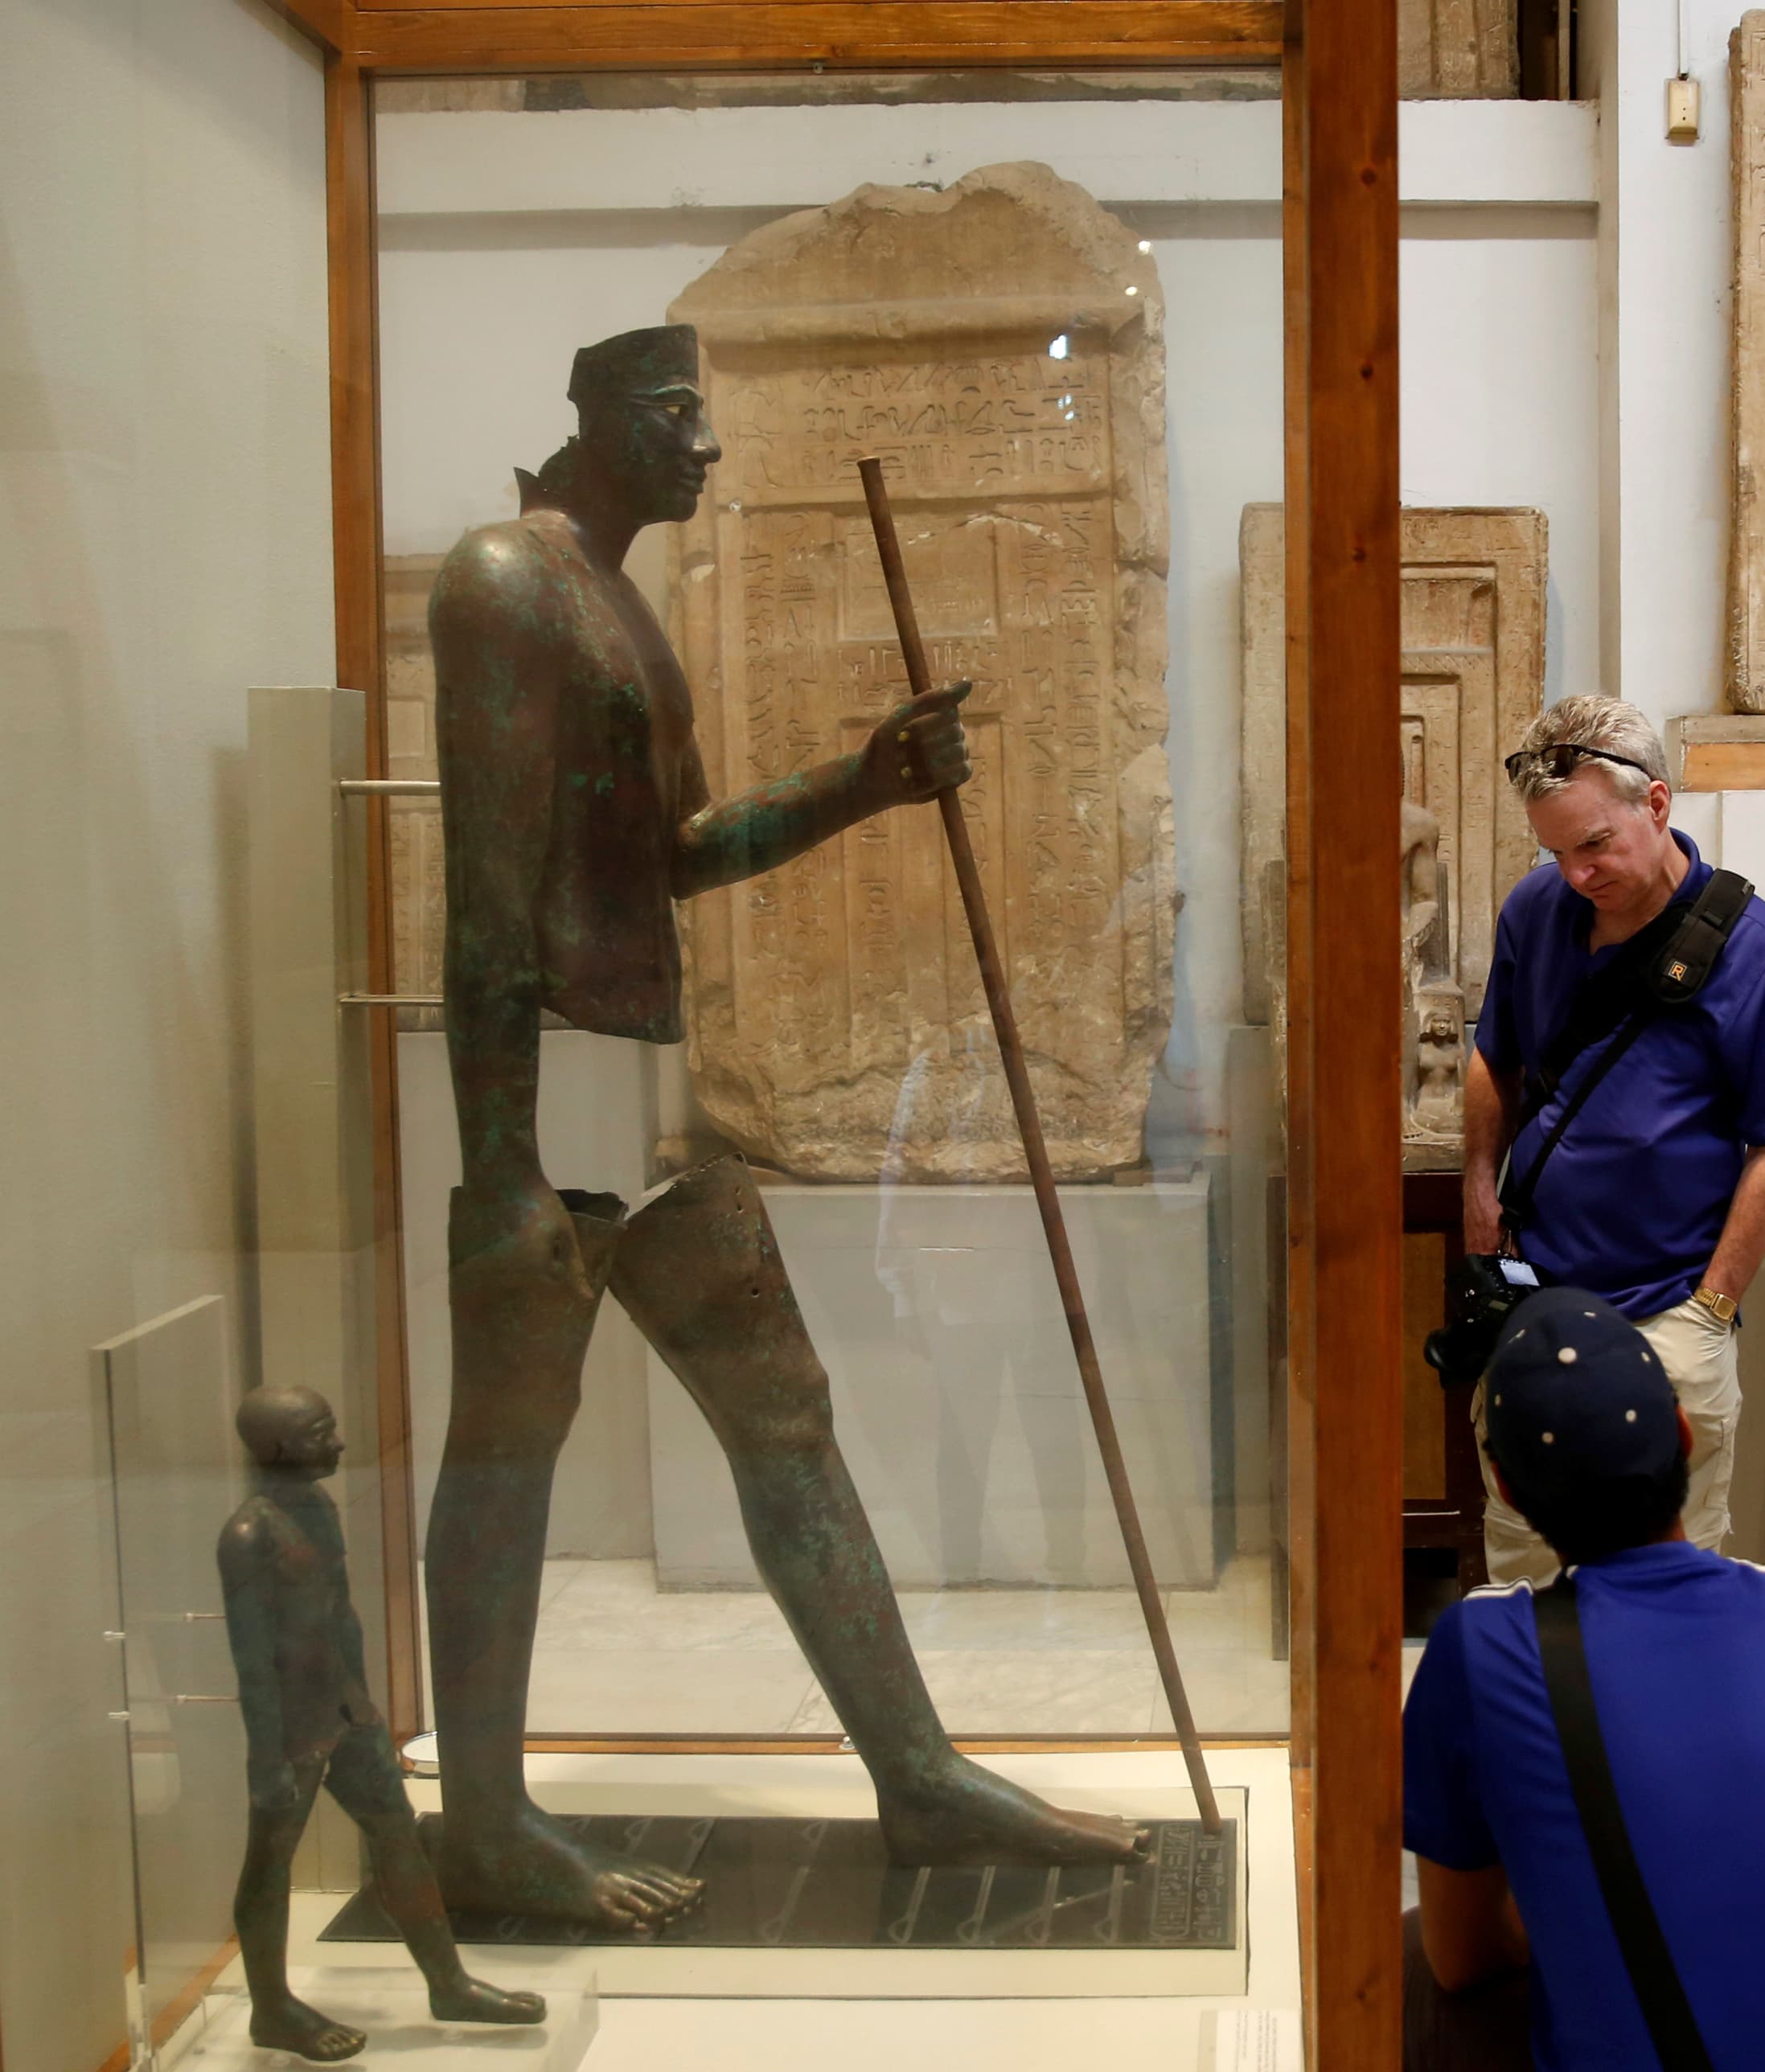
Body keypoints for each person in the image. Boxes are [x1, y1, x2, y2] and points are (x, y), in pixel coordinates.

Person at [429, 325, 1140, 1929]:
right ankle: (483, 1822)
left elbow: (676, 852)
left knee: (786, 1410)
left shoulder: (615, 603)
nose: (707, 447)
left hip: (629, 1076)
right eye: (682, 415)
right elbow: (482, 896)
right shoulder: (503, 582)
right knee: (508, 1446)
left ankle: (918, 1775)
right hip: (543, 1092)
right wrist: (498, 1161)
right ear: (604, 415)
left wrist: (863, 783)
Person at [1403, 1288, 1765, 2072]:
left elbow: (1463, 1957)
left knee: (1413, 1960)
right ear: (1684, 1436)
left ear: (1506, 1487)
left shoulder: (1481, 1648)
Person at [1463, 695, 1765, 1582]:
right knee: (1526, 1568)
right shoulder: (1536, 909)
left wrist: (1713, 1307)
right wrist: (1477, 1190)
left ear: (1657, 804)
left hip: (1668, 1308)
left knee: (1669, 1584)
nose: (1576, 873)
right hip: (1536, 1297)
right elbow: (1494, 1057)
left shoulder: (1757, 948)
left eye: (1594, 844)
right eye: (1555, 852)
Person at [219, 1387, 544, 2062]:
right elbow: (252, 1662)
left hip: (346, 1711)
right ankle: (272, 2009)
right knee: (270, 1863)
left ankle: (449, 1984)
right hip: (293, 1729)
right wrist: (267, 1759)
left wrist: (362, 1703)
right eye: (320, 1433)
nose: (337, 1443)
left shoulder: (316, 1506)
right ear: (279, 1447)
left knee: (399, 1839)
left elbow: (341, 1617)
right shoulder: (250, 1536)